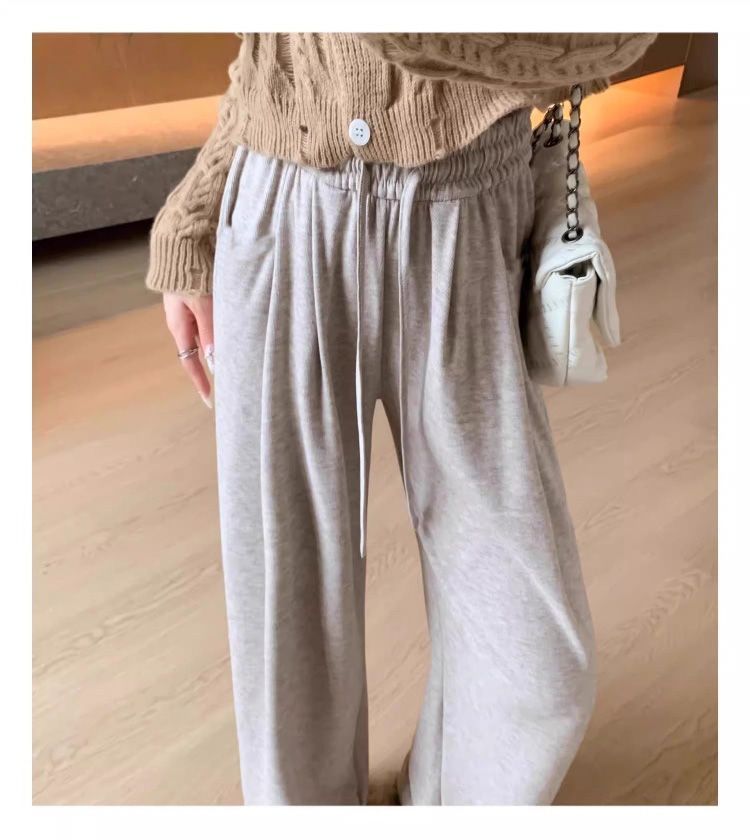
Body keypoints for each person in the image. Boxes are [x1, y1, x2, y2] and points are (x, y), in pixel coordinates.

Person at [144, 33, 656, 805]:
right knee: (284, 620)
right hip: (285, 205)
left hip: (469, 223)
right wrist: (193, 210)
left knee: (542, 671)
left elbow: (614, 38)